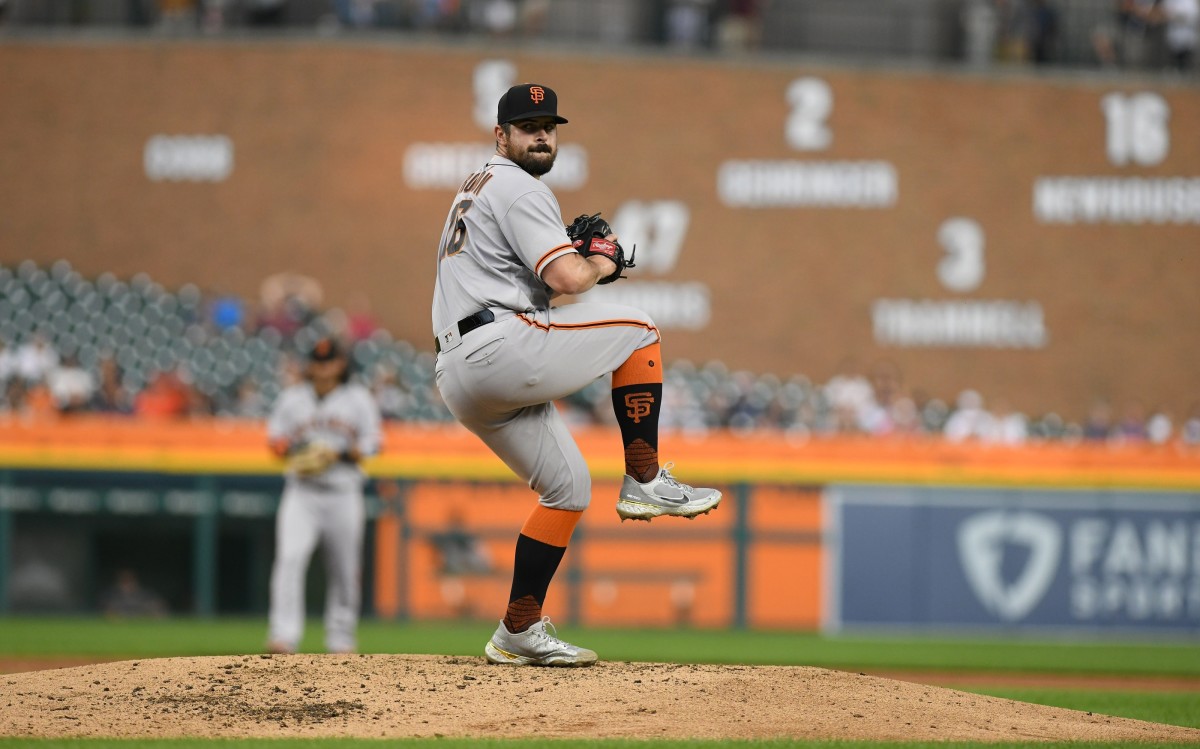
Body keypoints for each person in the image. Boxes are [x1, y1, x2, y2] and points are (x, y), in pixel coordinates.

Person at [431, 83, 721, 667]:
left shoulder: (478, 186)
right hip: (496, 346)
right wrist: (601, 260)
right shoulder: (517, 186)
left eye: (549, 126)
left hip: (461, 370)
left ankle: (518, 628)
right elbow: (569, 280)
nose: (541, 135)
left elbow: (543, 283)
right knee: (641, 328)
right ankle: (643, 477)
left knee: (567, 489)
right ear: (501, 136)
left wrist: (583, 264)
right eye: (527, 126)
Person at [265, 337, 381, 655]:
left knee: (345, 568)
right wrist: (298, 450)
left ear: (340, 364)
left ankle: (341, 639)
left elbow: (373, 443)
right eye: (317, 362)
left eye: (328, 361)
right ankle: (283, 637)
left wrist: (338, 453)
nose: (322, 367)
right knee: (289, 560)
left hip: (344, 493)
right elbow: (274, 440)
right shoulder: (292, 399)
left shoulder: (357, 399)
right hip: (301, 493)